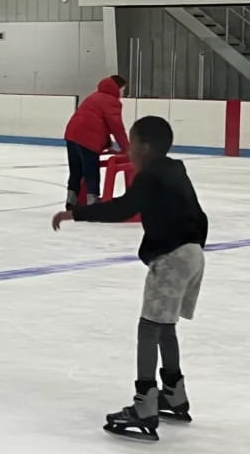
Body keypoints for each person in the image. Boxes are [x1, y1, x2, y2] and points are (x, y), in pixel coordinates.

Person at [52, 116, 208, 442]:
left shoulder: (149, 176)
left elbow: (122, 209)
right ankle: (174, 392)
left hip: (172, 257)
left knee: (148, 328)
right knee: (165, 326)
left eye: (132, 143)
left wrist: (76, 212)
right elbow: (200, 214)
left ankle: (145, 404)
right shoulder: (175, 169)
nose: (128, 149)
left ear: (145, 148)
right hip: (193, 254)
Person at [63, 75, 130, 207]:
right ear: (118, 88)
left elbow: (95, 122)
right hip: (88, 139)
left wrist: (107, 143)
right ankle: (92, 203)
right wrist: (128, 149)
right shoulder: (112, 101)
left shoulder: (94, 96)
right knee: (91, 171)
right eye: (123, 89)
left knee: (76, 170)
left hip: (72, 135)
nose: (123, 93)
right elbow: (116, 127)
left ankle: (71, 201)